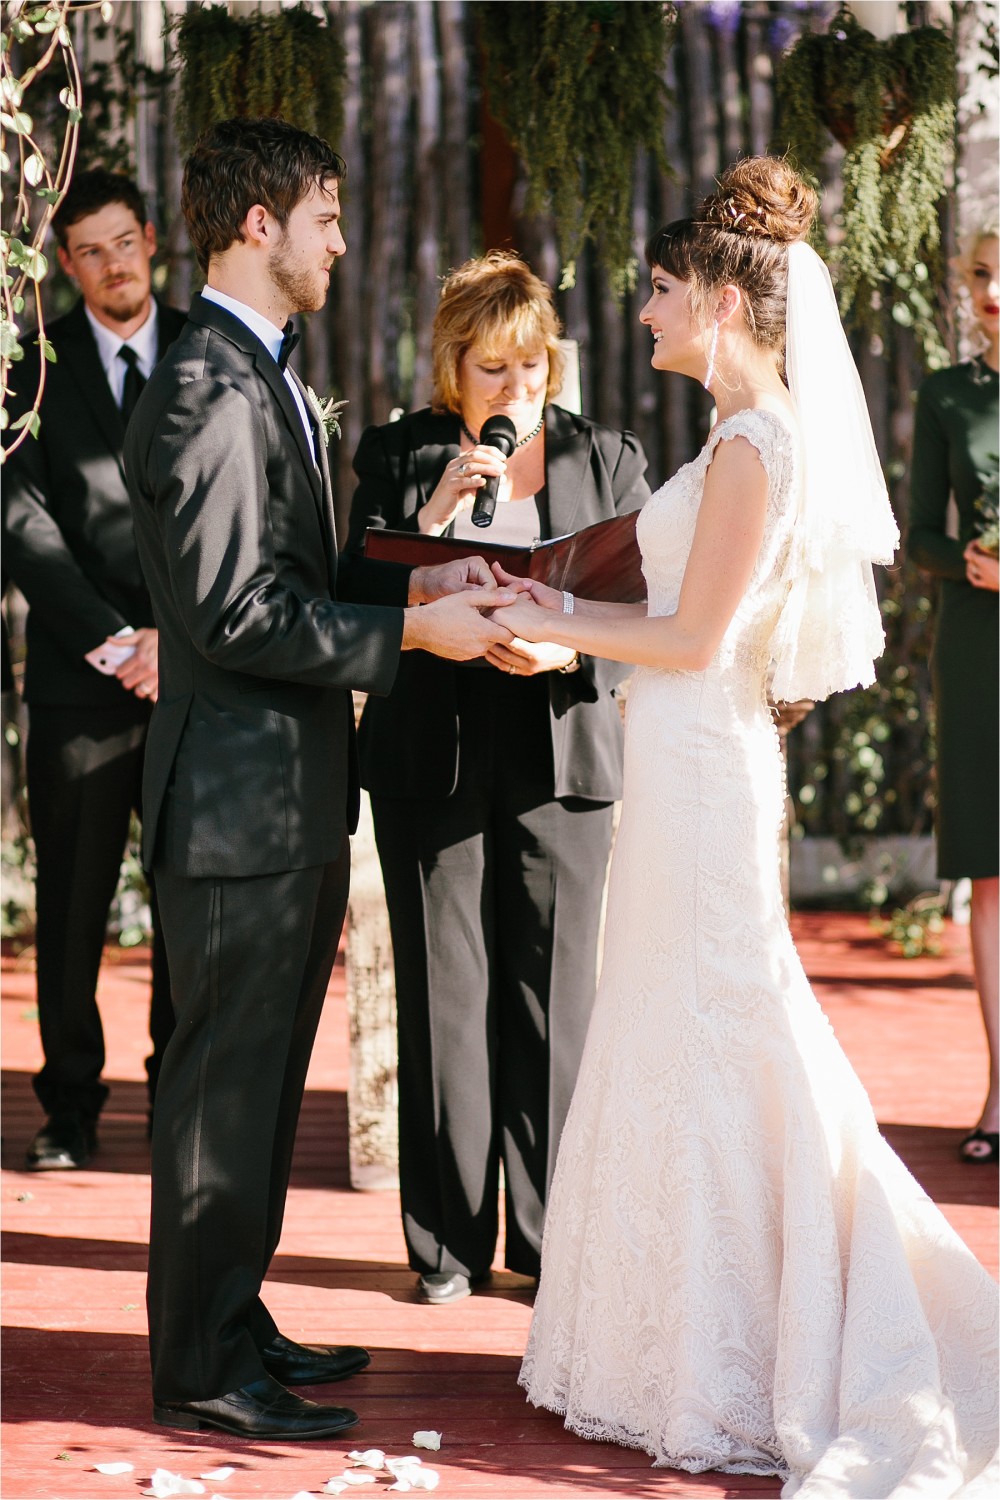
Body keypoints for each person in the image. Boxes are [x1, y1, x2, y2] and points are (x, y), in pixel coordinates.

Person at [497, 158, 998, 1495]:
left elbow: (697, 637)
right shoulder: (741, 437)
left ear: (724, 300)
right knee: (678, 1017)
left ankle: (746, 1350)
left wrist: (540, 616)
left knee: (726, 1024)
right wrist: (556, 628)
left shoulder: (751, 444)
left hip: (703, 771)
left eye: (661, 292)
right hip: (681, 758)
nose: (645, 310)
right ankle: (669, 1341)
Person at [124, 116, 518, 1443]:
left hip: (286, 794)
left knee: (263, 1086)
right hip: (237, 803)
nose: (342, 243)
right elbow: (236, 615)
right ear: (261, 226)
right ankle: (196, 1363)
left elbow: (302, 580)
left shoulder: (267, 375)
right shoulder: (202, 386)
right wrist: (411, 630)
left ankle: (236, 1319)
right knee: (220, 1091)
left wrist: (431, 550)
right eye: (330, 217)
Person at [346, 252, 651, 1305]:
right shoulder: (396, 454)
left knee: (553, 996)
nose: (513, 390)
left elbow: (658, 612)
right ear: (451, 369)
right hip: (433, 746)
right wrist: (433, 515)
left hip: (558, 740)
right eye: (489, 370)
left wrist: (574, 651)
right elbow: (351, 591)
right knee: (447, 993)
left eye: (529, 368)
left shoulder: (609, 458)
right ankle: (446, 1247)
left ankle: (553, 1234)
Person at [3, 169, 184, 1170]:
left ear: (151, 240)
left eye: (125, 242)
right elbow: (21, 527)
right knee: (71, 901)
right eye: (90, 251)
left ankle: (177, 1094)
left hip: (192, 675)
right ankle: (69, 1105)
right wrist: (119, 642)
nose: (113, 265)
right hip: (83, 681)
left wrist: (176, 642)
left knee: (183, 892)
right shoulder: (31, 368)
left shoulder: (211, 351)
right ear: (66, 267)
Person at [909, 224, 999, 1166]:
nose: (994, 292)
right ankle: (997, 1094)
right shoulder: (947, 394)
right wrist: (964, 561)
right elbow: (917, 536)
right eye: (981, 274)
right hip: (979, 651)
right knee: (992, 873)